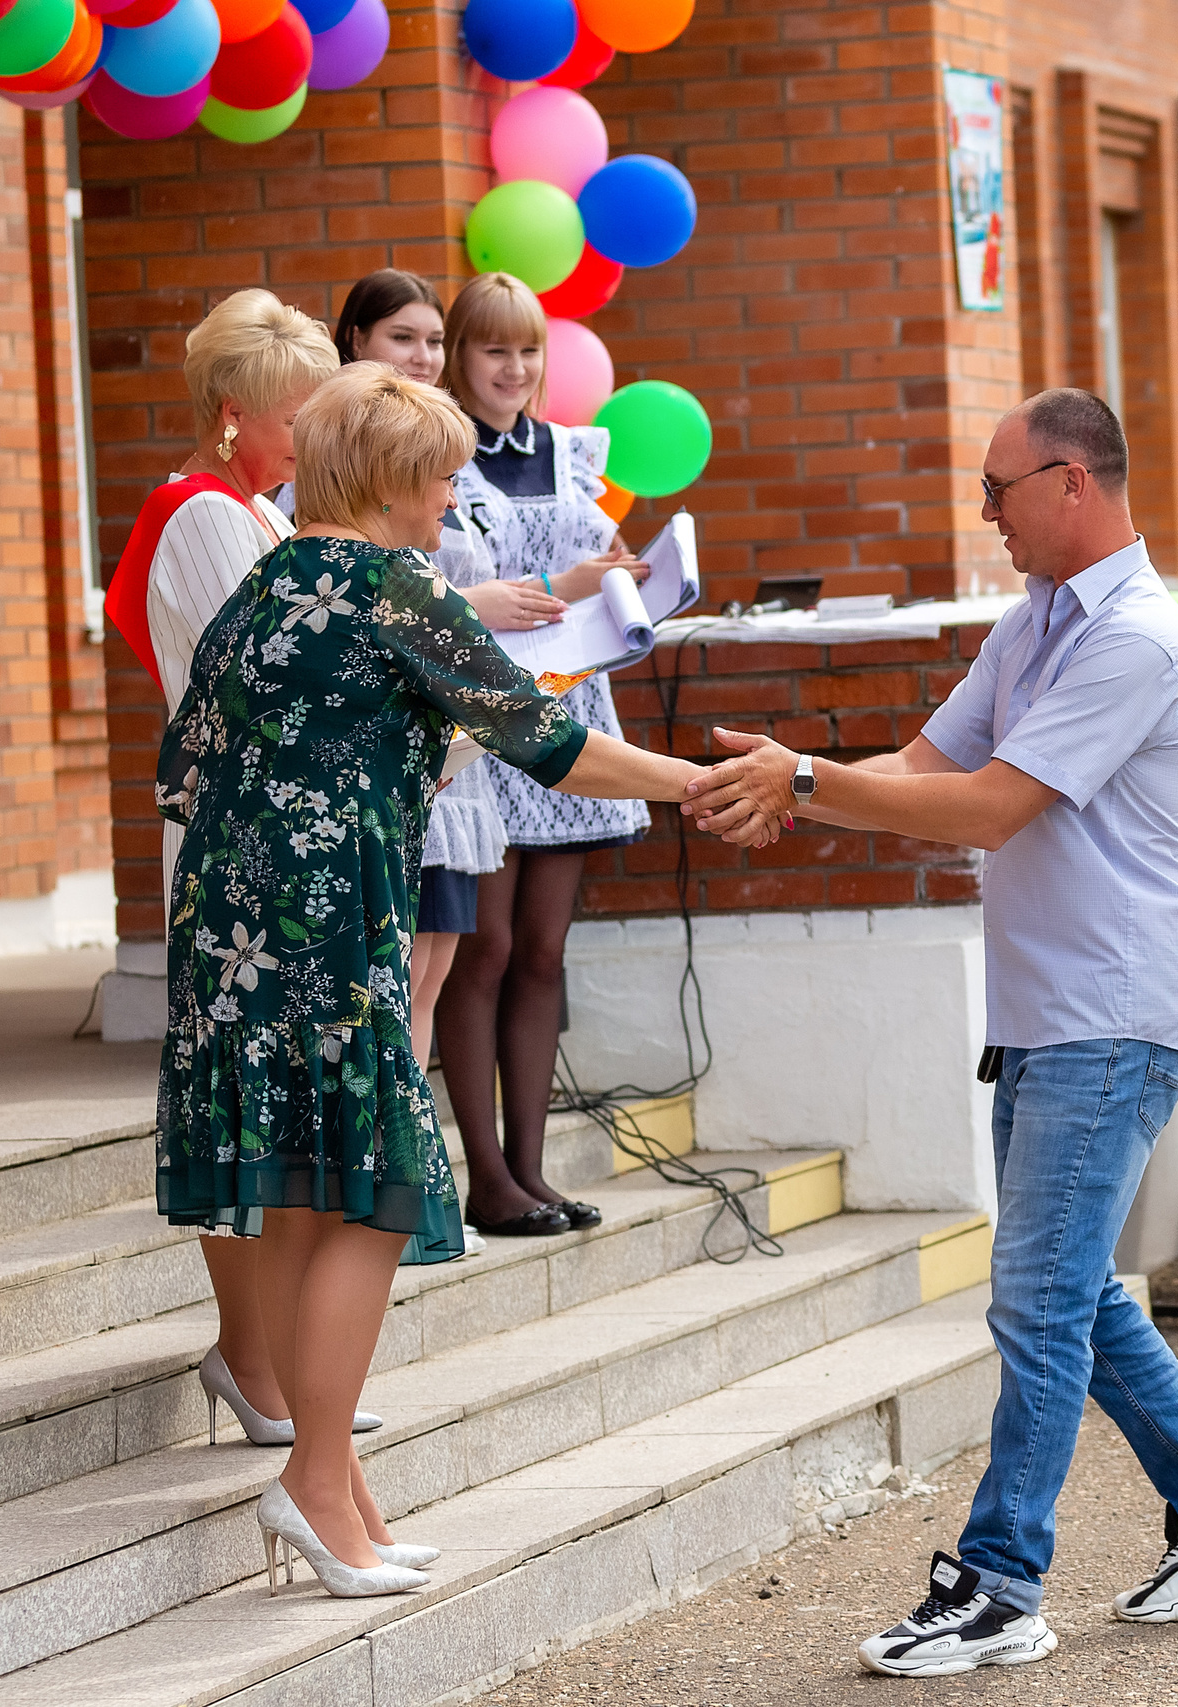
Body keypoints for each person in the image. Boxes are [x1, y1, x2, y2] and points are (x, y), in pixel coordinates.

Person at [683, 389, 1178, 1675]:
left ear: (1072, 483)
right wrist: (786, 784)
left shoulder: (1135, 639)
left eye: (997, 489)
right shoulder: (1032, 630)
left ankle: (1000, 1582)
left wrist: (802, 778)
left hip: (1111, 1014)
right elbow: (922, 768)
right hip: (1042, 1015)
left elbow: (988, 811)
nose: (984, 514)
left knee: (1032, 1302)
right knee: (1069, 1302)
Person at [155, 365, 762, 1596]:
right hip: (329, 939)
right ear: (386, 481)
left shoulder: (262, 582)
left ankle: (337, 1494)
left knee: (290, 1198)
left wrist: (375, 763)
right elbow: (546, 744)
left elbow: (182, 764)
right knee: (374, 1199)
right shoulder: (397, 587)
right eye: (439, 476)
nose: (451, 497)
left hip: (228, 938)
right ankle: (317, 1484)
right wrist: (692, 784)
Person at [100, 287, 370, 1452]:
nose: (314, 437)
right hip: (245, 842)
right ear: (229, 415)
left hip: (267, 836)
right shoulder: (208, 517)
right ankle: (253, 1359)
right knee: (247, 1103)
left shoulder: (250, 511)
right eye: (296, 414)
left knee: (267, 1101)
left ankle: (262, 1361)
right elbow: (266, 687)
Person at [434, 272, 652, 1238]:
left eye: (528, 351)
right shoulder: (434, 457)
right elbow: (441, 585)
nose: (514, 369)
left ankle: (530, 1170)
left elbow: (599, 566)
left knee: (544, 949)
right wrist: (561, 578)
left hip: (569, 704)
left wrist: (633, 583)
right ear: (457, 356)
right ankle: (484, 1172)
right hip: (482, 716)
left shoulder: (574, 452)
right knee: (484, 947)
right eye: (493, 350)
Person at [329, 270, 570, 1080]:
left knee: (430, 973)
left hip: (457, 746)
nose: (425, 355)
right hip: (398, 738)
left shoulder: (437, 444)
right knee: (401, 979)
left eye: (434, 339)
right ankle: (393, 1168)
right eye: (407, 337)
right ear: (356, 340)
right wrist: (479, 604)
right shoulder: (343, 448)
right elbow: (354, 593)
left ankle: (417, 1164)